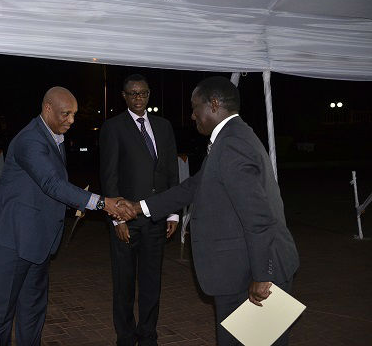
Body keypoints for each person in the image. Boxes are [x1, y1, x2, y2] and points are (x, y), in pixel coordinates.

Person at [114, 76, 299, 346]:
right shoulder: (230, 138)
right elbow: (192, 187)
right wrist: (139, 207)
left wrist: (263, 276)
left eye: (194, 107)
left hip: (253, 275)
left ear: (213, 104)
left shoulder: (233, 145)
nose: (192, 115)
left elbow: (259, 219)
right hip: (240, 269)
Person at [0, 86, 128, 345]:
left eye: (74, 114)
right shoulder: (30, 140)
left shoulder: (53, 136)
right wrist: (102, 202)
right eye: (66, 114)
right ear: (47, 109)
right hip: (11, 240)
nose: (71, 120)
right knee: (1, 314)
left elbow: (47, 188)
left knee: (32, 311)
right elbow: (51, 183)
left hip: (37, 240)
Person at [99, 74, 179, 346]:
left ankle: (147, 334)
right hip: (126, 219)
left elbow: (170, 171)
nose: (138, 98)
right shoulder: (113, 127)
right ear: (124, 96)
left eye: (143, 93)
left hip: (156, 217)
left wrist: (172, 212)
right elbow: (108, 176)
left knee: (151, 282)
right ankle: (124, 335)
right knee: (124, 283)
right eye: (133, 94)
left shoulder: (164, 126)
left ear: (148, 95)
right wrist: (115, 220)